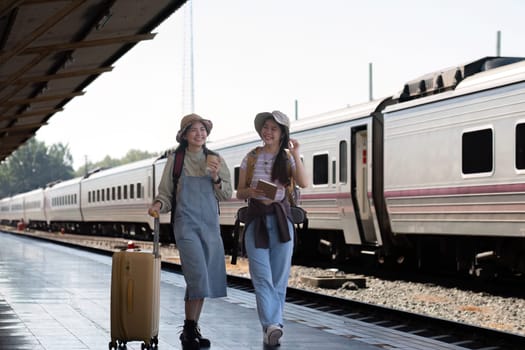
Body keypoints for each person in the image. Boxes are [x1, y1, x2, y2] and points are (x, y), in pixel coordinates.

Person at [148, 113, 232, 350]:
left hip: (210, 226)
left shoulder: (215, 159)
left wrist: (215, 177)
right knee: (197, 276)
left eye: (203, 129)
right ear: (184, 135)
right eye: (194, 129)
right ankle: (188, 328)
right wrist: (157, 206)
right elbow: (165, 193)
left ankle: (191, 328)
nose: (200, 133)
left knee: (202, 277)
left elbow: (226, 194)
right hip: (185, 224)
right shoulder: (176, 160)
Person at [236, 110, 308, 346]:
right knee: (262, 278)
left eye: (273, 129)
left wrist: (296, 153)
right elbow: (240, 192)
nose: (268, 132)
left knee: (279, 279)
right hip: (257, 221)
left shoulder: (287, 158)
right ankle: (274, 325)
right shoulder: (251, 157)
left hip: (281, 222)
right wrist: (251, 192)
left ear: (282, 133)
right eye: (265, 127)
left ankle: (270, 328)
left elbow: (304, 182)